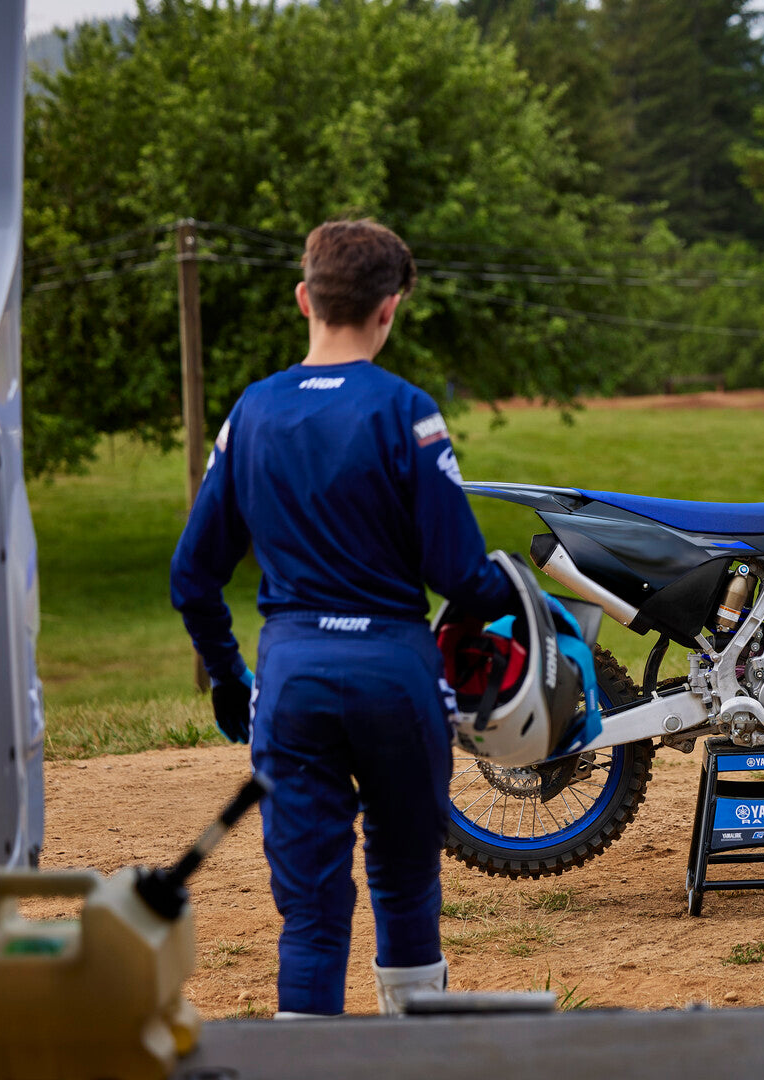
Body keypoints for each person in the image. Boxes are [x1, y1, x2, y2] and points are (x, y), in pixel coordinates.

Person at [169, 219, 516, 1017]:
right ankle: (413, 1061)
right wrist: (517, 590)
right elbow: (460, 575)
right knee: (404, 884)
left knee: (313, 919)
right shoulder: (408, 412)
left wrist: (229, 679)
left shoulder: (251, 413)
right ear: (389, 309)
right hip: (394, 678)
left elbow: (193, 575)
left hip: (292, 684)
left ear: (304, 298)